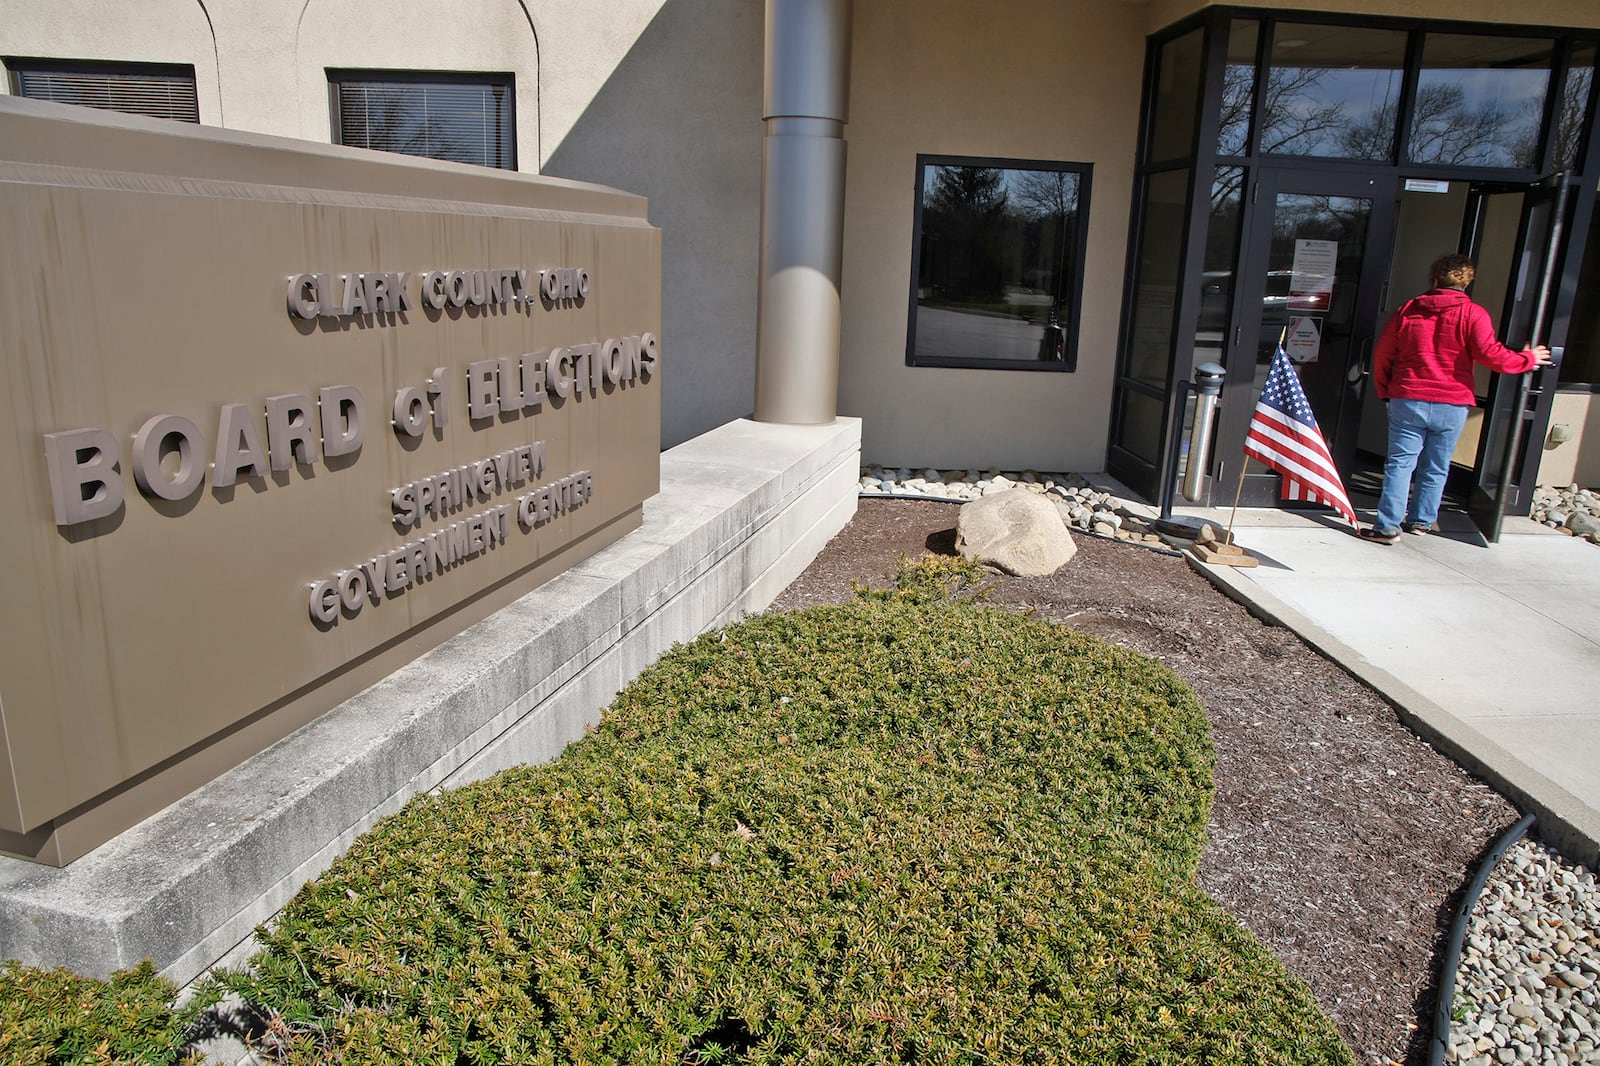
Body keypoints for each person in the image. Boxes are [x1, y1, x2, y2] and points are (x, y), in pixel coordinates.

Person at [1362, 253, 1553, 543]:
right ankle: (1421, 521)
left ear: (1435, 278)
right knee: (1436, 466)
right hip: (1452, 402)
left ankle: (1387, 527)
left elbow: (1384, 354)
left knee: (1400, 464)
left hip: (1408, 395)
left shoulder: (1409, 310)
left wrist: (1385, 389)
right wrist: (1527, 359)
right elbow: (1492, 355)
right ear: (1467, 282)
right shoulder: (1474, 314)